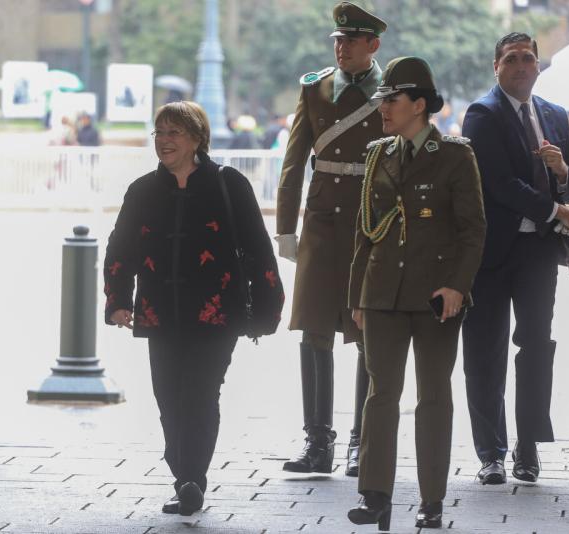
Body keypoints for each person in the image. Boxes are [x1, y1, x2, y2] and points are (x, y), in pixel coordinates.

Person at [103, 101, 284, 516]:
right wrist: (118, 300)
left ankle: (191, 479)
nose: (164, 141)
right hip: (159, 311)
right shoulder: (143, 190)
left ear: (198, 138)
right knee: (168, 397)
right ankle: (182, 471)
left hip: (216, 313)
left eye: (174, 133)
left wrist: (266, 310)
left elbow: (258, 249)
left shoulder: (229, 183)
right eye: (159, 133)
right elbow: (121, 248)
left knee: (201, 393)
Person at [346, 56, 486, 531]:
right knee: (380, 394)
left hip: (436, 297)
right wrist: (357, 295)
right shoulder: (377, 155)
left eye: (393, 99)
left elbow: (473, 230)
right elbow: (366, 231)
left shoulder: (455, 156)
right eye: (383, 99)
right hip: (382, 293)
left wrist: (458, 286)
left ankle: (431, 500)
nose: (383, 108)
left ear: (420, 105)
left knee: (433, 397)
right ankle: (374, 496)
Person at [461, 32, 569, 486]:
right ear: (496, 66)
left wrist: (562, 172)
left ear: (538, 66)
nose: (520, 66)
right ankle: (491, 452)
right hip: (491, 253)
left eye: (528, 58)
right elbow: (499, 184)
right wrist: (562, 212)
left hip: (538, 251)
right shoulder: (482, 113)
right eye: (511, 59)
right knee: (485, 351)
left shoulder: (554, 114)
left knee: (536, 346)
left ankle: (528, 445)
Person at [275, 1, 386, 477]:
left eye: (351, 41)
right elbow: (293, 163)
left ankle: (363, 442)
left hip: (371, 223)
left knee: (368, 334)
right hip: (321, 224)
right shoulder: (314, 89)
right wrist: (286, 228)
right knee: (314, 330)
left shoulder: (392, 91)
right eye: (338, 41)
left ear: (372, 45)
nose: (342, 48)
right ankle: (317, 441)